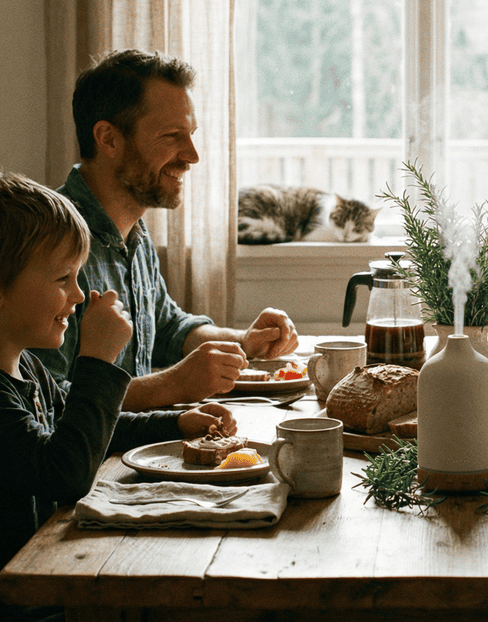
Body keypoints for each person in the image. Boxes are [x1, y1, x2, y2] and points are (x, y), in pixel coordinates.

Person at [0, 172, 237, 622]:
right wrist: (97, 360)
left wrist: (173, 423)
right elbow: (65, 472)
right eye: (63, 278)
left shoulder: (24, 363)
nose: (78, 295)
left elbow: (81, 426)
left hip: (25, 587)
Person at [31, 49, 299, 411]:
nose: (192, 156)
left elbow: (169, 328)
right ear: (108, 138)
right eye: (173, 136)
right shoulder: (47, 242)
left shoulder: (132, 232)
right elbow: (47, 399)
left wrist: (244, 342)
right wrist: (174, 386)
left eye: (191, 135)